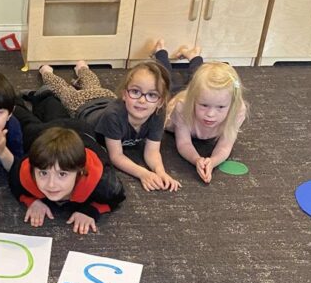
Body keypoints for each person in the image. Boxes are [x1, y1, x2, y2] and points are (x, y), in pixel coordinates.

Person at [34, 60, 181, 192]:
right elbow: (116, 156)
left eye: (152, 95)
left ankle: (82, 68)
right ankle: (46, 72)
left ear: (160, 102)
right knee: (63, 90)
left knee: (93, 84)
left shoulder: (158, 113)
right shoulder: (114, 116)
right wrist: (143, 173)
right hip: (82, 105)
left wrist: (160, 172)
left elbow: (152, 151)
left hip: (106, 96)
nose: (142, 100)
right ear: (124, 94)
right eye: (135, 92)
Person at [151, 42, 248, 184]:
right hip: (175, 98)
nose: (210, 114)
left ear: (231, 104)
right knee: (167, 81)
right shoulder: (182, 107)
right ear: (194, 99)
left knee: (202, 78)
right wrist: (196, 159)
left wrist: (212, 161)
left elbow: (225, 145)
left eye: (220, 107)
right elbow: (184, 143)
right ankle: (160, 52)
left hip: (198, 95)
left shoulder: (237, 110)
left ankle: (194, 56)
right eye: (204, 106)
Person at [8, 126, 125, 234]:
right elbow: (14, 179)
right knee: (28, 124)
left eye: (62, 174)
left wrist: (91, 211)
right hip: (45, 130)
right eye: (43, 173)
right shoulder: (25, 171)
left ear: (79, 172)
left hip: (82, 130)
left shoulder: (105, 184)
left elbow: (118, 197)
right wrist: (31, 201)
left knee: (51, 107)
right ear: (33, 169)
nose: (51, 184)